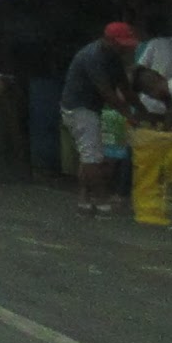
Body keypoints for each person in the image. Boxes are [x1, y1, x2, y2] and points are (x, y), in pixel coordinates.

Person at [60, 21, 140, 214]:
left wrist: (142, 110)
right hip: (79, 108)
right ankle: (102, 202)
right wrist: (129, 114)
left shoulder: (114, 57)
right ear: (108, 40)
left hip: (90, 108)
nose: (124, 48)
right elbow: (107, 93)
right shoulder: (93, 56)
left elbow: (125, 89)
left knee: (89, 154)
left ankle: (85, 201)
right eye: (121, 44)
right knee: (92, 157)